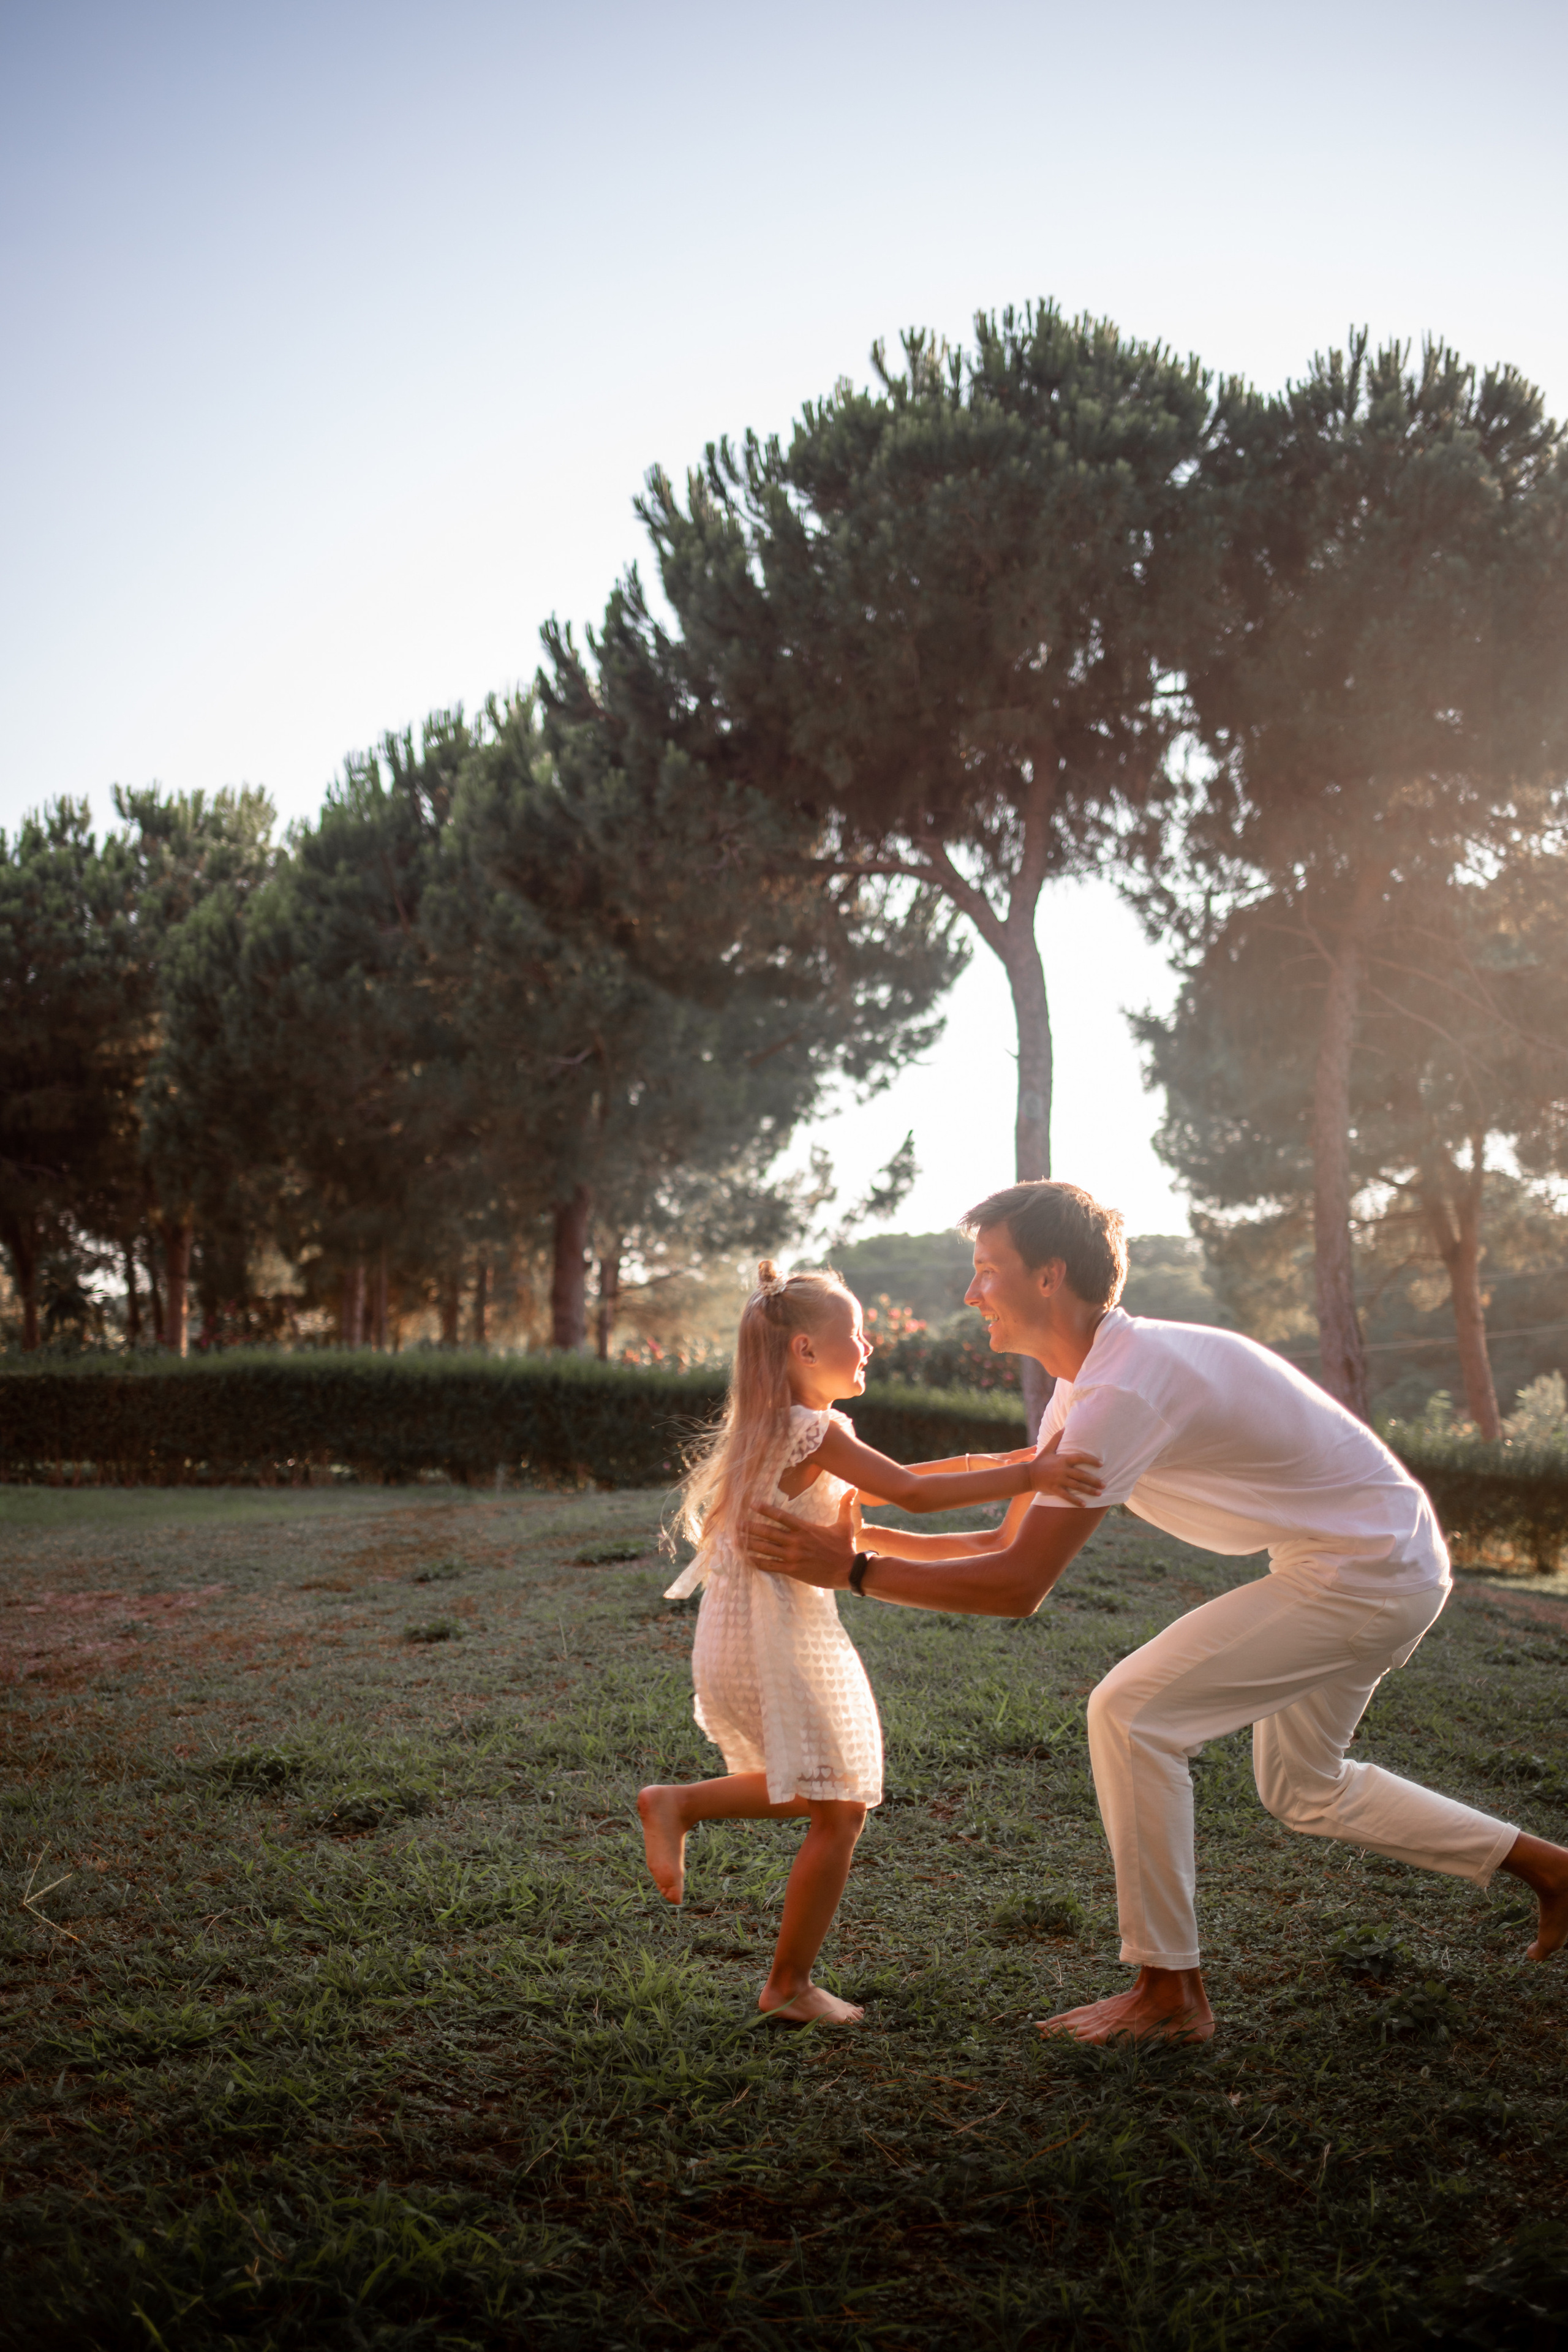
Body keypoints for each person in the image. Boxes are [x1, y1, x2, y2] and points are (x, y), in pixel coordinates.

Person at [746, 1182, 1568, 2042]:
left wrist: (857, 1574)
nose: (970, 1293)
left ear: (1050, 1276)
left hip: (1363, 1571)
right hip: (1376, 1557)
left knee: (1131, 1713)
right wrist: (867, 1542)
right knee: (1303, 1786)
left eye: (988, 1271)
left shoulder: (1120, 1393)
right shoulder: (1089, 1386)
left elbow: (1019, 1585)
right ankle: (1550, 1871)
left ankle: (1170, 1994)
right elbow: (1004, 1540)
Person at [637, 1257, 1103, 2027]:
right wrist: (1030, 1473)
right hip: (774, 1635)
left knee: (829, 1799)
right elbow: (915, 1490)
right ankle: (762, 1946)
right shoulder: (810, 1430)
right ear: (805, 1352)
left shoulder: (779, 1434)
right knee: (839, 1804)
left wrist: (1007, 1500)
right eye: (856, 1335)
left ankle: (701, 1841)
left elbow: (890, 1509)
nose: (870, 1346)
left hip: (743, 1633)